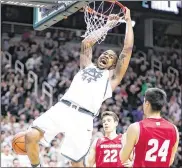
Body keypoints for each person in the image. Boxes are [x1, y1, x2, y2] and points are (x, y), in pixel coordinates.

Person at [23, 7, 134, 167]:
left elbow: (127, 49)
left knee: (76, 164)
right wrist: (107, 26)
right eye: (104, 53)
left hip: (83, 118)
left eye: (110, 56)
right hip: (63, 107)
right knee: (31, 136)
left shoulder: (111, 78)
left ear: (114, 64)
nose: (105, 55)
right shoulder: (86, 65)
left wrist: (128, 21)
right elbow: (86, 43)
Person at [120, 88, 179, 167]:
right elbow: (170, 161)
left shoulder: (136, 127)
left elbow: (123, 159)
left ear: (147, 103)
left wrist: (124, 141)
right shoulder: (174, 129)